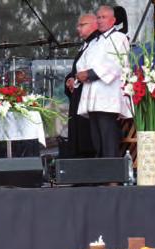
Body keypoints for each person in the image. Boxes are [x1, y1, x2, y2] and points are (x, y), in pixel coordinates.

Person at [76, 5, 131, 157]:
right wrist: (78, 75)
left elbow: (116, 64)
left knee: (108, 139)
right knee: (96, 140)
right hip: (92, 97)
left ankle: (112, 178)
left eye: (103, 17)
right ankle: (102, 175)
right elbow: (82, 63)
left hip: (108, 97)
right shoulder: (94, 42)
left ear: (113, 20)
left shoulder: (119, 38)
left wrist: (90, 73)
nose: (100, 20)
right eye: (98, 17)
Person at [64, 13, 99, 158]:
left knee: (87, 135)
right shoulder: (85, 45)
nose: (78, 28)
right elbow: (76, 71)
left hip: (90, 95)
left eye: (82, 25)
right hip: (78, 96)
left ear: (94, 25)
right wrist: (70, 79)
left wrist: (78, 78)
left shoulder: (98, 43)